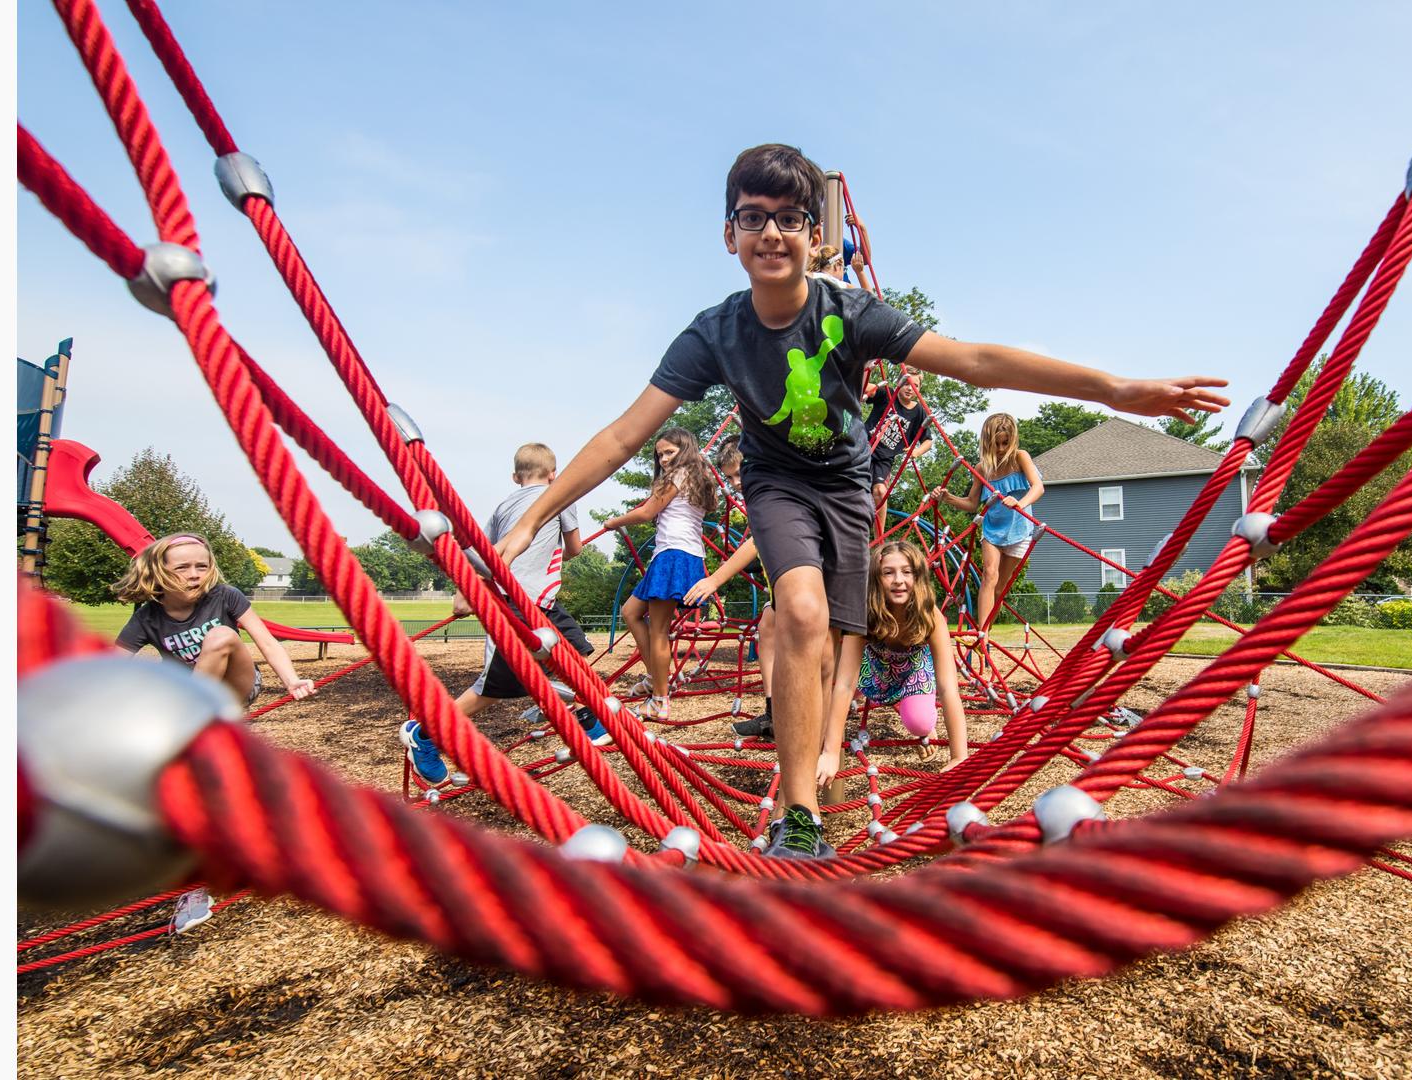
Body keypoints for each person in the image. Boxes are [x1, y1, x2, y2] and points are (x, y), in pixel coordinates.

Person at [495, 143, 1229, 860]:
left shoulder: (852, 311)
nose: (772, 232)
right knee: (802, 614)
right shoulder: (715, 332)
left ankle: (818, 748)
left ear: (817, 237)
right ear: (729, 235)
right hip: (776, 483)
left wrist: (1114, 389)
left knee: (829, 643)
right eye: (753, 218)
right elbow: (625, 434)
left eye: (790, 219)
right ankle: (800, 814)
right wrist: (531, 516)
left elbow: (972, 361)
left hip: (848, 488)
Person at [401, 443, 605, 788]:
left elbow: (484, 553)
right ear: (553, 474)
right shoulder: (561, 495)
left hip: (541, 603)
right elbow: (574, 549)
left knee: (575, 654)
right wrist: (469, 591)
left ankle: (585, 714)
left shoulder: (501, 508)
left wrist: (468, 587)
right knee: (494, 688)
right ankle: (425, 734)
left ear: (515, 477)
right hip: (516, 602)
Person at [821, 541, 970, 786]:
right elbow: (845, 684)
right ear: (876, 579)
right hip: (874, 669)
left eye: (907, 572)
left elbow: (948, 688)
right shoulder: (865, 613)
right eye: (888, 572)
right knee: (833, 692)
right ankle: (889, 702)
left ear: (918, 577)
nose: (898, 580)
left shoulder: (931, 616)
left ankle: (912, 709)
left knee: (920, 722)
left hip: (913, 672)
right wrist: (830, 752)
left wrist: (959, 756)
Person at [113, 532, 315, 706]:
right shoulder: (147, 618)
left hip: (236, 685)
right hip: (184, 689)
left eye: (202, 566)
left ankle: (191, 714)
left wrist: (291, 681)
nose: (194, 575)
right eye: (182, 568)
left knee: (221, 635)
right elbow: (111, 666)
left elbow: (268, 643)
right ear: (158, 572)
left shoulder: (225, 596)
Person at [601, 427, 719, 720]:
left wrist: (613, 522)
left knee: (659, 630)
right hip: (678, 554)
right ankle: (656, 677)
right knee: (631, 612)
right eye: (660, 454)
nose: (664, 459)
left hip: (674, 555)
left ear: (686, 450)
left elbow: (645, 513)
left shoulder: (679, 476)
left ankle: (660, 700)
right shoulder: (697, 477)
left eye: (670, 452)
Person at [690, 437, 781, 739]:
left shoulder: (769, 491)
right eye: (729, 477)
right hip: (783, 584)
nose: (735, 482)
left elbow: (758, 541)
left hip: (806, 580)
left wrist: (715, 579)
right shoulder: (758, 496)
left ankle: (821, 713)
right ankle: (773, 714)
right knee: (767, 631)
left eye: (739, 473)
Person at [936, 412, 1044, 640]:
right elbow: (972, 503)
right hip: (993, 530)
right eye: (997, 443)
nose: (1002, 448)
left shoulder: (1020, 458)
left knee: (999, 589)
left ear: (1013, 440)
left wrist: (1020, 503)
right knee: (989, 575)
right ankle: (980, 634)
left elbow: (1038, 487)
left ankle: (986, 632)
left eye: (1006, 442)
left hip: (1019, 531)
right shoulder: (983, 467)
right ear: (987, 442)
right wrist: (948, 498)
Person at [862, 362, 935, 527]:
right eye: (907, 383)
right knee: (854, 485)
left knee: (880, 491)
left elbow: (928, 441)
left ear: (919, 389)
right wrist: (867, 368)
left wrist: (916, 452)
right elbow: (865, 387)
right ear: (899, 383)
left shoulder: (918, 412)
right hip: (864, 446)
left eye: (915, 385)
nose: (910, 388)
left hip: (884, 459)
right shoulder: (888, 394)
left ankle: (878, 538)